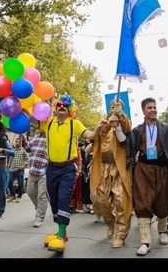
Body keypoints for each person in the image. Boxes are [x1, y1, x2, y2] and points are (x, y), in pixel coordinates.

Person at [41, 95, 106, 253]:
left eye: (65, 105)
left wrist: (98, 128)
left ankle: (62, 236)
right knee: (54, 200)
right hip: (51, 168)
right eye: (59, 105)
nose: (61, 107)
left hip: (68, 168)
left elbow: (90, 136)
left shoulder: (74, 124)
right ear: (55, 108)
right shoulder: (47, 122)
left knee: (64, 198)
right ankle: (61, 231)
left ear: (70, 109)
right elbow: (31, 116)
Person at [131, 97, 168, 256]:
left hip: (162, 168)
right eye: (149, 108)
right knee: (142, 202)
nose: (153, 109)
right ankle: (145, 241)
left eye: (154, 107)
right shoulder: (138, 130)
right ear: (144, 111)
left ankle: (162, 231)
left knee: (163, 200)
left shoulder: (167, 128)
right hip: (143, 169)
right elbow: (128, 144)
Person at [90, 99, 133, 248]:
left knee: (120, 201)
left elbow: (127, 130)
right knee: (99, 199)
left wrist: (120, 116)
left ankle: (121, 235)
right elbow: (96, 136)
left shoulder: (124, 121)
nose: (114, 106)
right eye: (112, 104)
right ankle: (110, 223)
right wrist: (106, 125)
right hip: (103, 167)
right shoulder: (104, 122)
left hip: (118, 167)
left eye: (118, 104)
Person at [22, 129, 49, 228]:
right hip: (32, 171)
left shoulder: (51, 138)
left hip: (44, 172)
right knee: (30, 192)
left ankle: (39, 217)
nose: (40, 128)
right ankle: (39, 208)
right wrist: (23, 137)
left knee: (41, 195)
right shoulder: (36, 137)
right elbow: (28, 148)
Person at [7, 137, 29, 202]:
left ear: (21, 143)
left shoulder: (23, 150)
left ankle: (19, 196)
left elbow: (27, 159)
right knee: (9, 182)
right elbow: (10, 159)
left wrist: (24, 165)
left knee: (20, 183)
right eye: (16, 141)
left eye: (19, 141)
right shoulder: (12, 150)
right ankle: (13, 195)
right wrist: (9, 166)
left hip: (20, 170)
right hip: (12, 169)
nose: (17, 142)